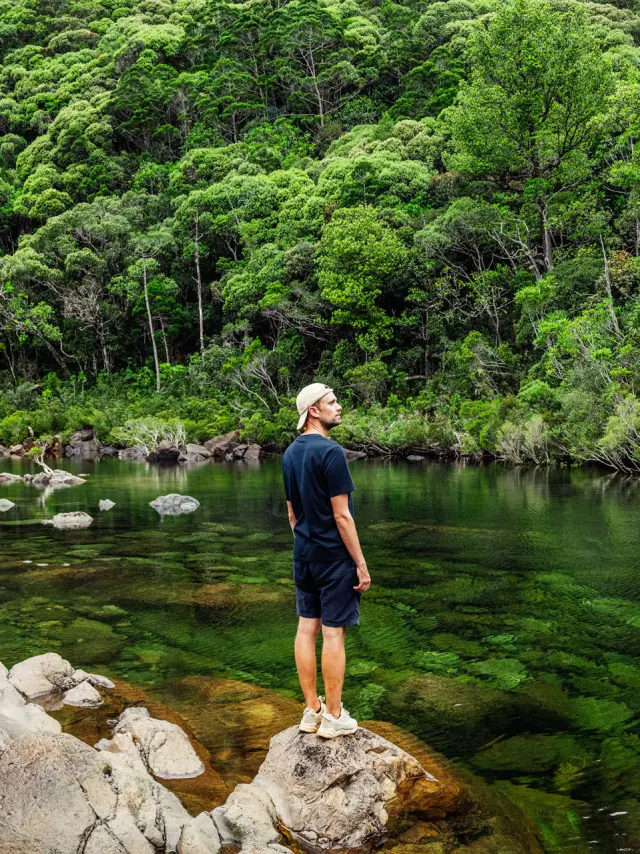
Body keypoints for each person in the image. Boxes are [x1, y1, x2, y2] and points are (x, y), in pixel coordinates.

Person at [282, 382, 371, 739]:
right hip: (334, 558)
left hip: (304, 555)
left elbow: (292, 513)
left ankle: (312, 711)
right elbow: (342, 516)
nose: (339, 406)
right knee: (333, 634)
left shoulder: (290, 453)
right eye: (332, 402)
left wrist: (306, 544)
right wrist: (361, 564)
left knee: (306, 628)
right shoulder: (331, 452)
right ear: (314, 411)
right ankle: (334, 716)